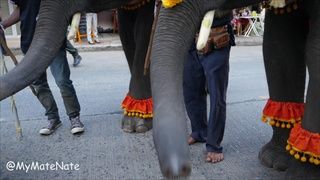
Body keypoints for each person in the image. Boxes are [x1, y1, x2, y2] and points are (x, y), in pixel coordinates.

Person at [1, 0, 84, 135]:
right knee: (39, 85)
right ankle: (53, 118)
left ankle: (74, 117)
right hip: (30, 43)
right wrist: (3, 25)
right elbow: (21, 9)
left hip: (53, 41)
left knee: (62, 81)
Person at [183, 10, 235, 163]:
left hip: (216, 36)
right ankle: (199, 131)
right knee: (190, 89)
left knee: (216, 93)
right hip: (188, 37)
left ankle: (213, 144)